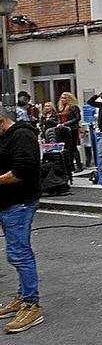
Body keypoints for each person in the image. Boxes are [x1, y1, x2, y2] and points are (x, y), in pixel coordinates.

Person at [0, 106, 44, 333]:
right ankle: (22, 295)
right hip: (9, 203)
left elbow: (22, 170)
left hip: (20, 203)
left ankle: (30, 304)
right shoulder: (7, 137)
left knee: (19, 253)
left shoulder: (22, 135)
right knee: (17, 252)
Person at [58, 92, 84, 172]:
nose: (62, 100)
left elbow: (77, 118)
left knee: (73, 147)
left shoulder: (74, 107)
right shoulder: (62, 108)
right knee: (67, 148)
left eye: (64, 98)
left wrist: (65, 124)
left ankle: (79, 166)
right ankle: (70, 166)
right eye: (61, 98)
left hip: (72, 129)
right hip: (63, 129)